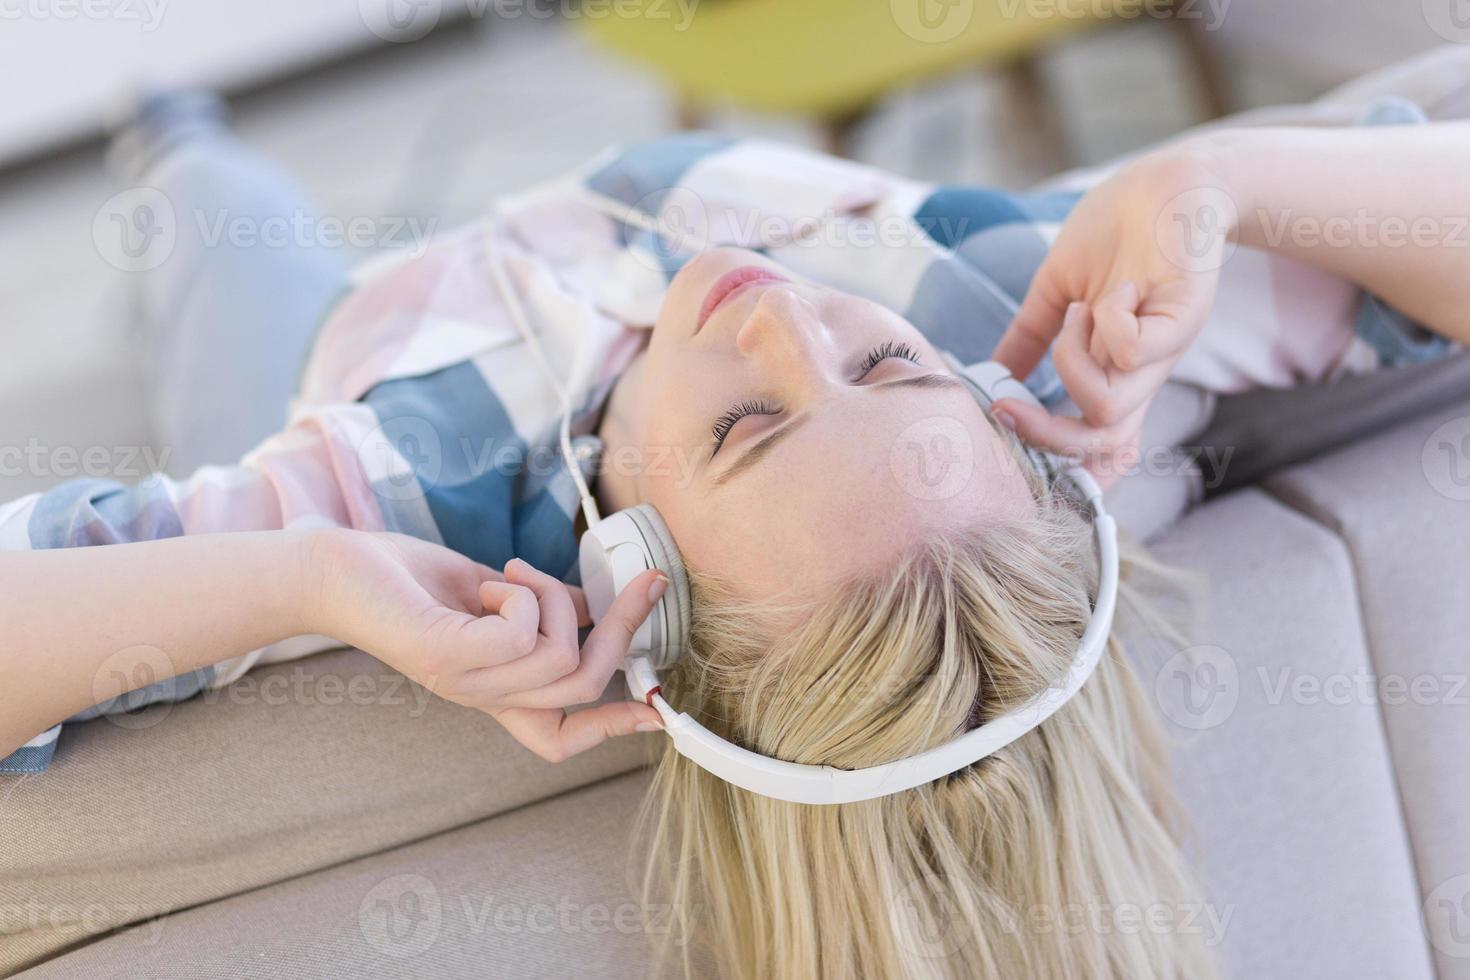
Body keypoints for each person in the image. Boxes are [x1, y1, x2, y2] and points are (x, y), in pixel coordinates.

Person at [2, 91, 1466, 977]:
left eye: (742, 429)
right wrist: (1217, 182)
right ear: (1007, 414)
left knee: (218, 228)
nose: (774, 316)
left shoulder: (396, 501)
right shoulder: (1022, 319)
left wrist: (292, 572)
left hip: (360, 352)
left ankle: (173, 141)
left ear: (630, 575)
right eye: (883, 368)